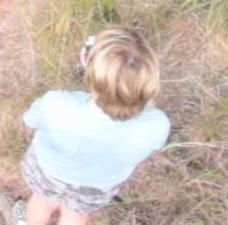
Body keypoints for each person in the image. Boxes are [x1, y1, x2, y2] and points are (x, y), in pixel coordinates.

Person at [15, 28, 170, 225]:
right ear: (149, 80)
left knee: (42, 201)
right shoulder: (157, 125)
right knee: (76, 215)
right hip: (97, 185)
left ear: (85, 61)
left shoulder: (56, 104)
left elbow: (29, 120)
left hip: (49, 169)